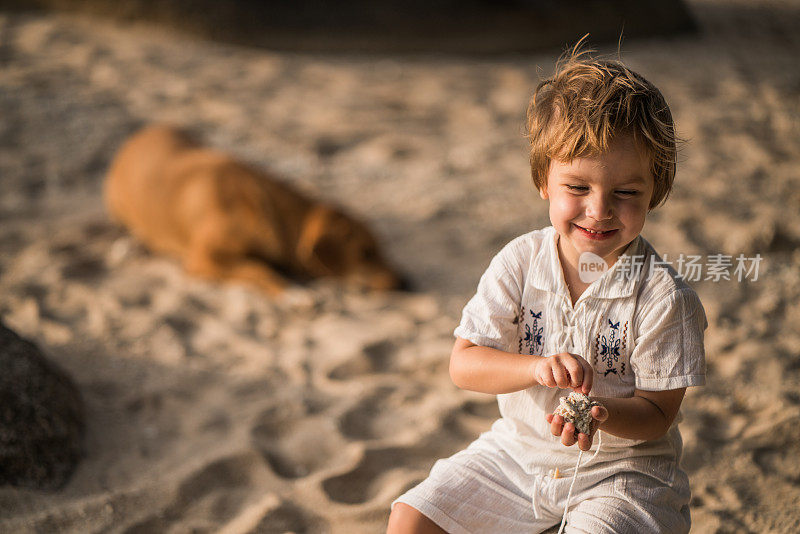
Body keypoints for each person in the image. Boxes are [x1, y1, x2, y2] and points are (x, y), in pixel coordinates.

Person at [386, 44, 707, 534]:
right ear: (544, 182)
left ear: (655, 193)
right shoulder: (519, 261)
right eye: (577, 188)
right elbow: (465, 362)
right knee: (411, 517)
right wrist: (535, 367)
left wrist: (599, 412)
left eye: (626, 193)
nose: (599, 211)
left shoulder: (665, 296)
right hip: (518, 453)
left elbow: (657, 413)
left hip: (622, 474)